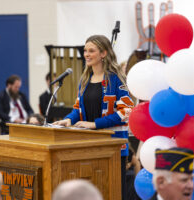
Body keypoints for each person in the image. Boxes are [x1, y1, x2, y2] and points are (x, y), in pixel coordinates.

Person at [53, 35, 134, 199]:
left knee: (113, 193)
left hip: (113, 147)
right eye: (85, 50)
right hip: (88, 146)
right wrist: (69, 119)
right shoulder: (84, 79)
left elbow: (126, 111)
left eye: (91, 51)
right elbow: (77, 109)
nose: (87, 54)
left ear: (103, 53)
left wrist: (94, 124)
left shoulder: (116, 79)